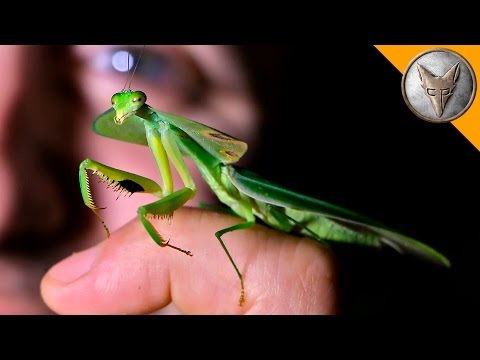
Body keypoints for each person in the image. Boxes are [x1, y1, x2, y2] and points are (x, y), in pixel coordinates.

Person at [0, 45, 337, 314]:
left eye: (135, 62)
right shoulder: (150, 127)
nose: (6, 202)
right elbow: (170, 192)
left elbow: (178, 191)